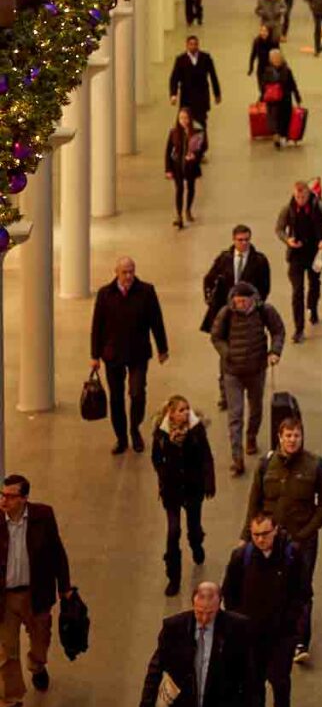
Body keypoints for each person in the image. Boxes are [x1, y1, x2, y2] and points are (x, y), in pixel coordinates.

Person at [247, 414, 322, 662]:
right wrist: (249, 535)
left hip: (303, 539)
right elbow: (254, 501)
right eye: (288, 436)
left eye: (296, 435)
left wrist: (309, 530)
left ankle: (300, 642)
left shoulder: (315, 465)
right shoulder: (266, 465)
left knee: (302, 588)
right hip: (271, 539)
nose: (292, 440)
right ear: (280, 437)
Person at [221, 511, 305, 707]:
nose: (260, 539)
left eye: (265, 534)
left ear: (275, 530)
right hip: (251, 637)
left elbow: (302, 593)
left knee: (279, 678)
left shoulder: (291, 555)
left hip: (281, 634)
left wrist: (294, 624)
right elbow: (230, 593)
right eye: (255, 534)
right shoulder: (241, 558)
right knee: (253, 685)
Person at [1, 472, 71, 707]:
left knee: (40, 638)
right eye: (2, 495)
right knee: (6, 652)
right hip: (5, 597)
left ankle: (37, 664)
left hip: (36, 593)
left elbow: (57, 552)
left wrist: (65, 588)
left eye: (10, 496)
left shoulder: (43, 516)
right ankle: (10, 704)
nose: (4, 501)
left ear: (24, 498)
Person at [91, 255, 170, 456]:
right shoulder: (105, 294)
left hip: (138, 353)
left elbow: (156, 321)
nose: (128, 276)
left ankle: (135, 429)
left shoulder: (146, 292)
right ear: (116, 272)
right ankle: (121, 438)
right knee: (116, 398)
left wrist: (162, 348)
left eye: (131, 271)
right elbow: (97, 326)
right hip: (113, 354)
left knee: (137, 393)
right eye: (124, 272)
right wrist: (95, 355)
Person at [207, 280, 286, 477]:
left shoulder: (264, 311)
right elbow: (216, 336)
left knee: (256, 407)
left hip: (256, 369)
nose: (239, 305)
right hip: (232, 372)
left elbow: (278, 330)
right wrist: (227, 353)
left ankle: (251, 436)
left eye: (243, 301)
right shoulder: (226, 313)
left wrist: (274, 351)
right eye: (237, 301)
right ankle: (237, 458)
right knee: (235, 415)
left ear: (252, 299)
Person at [151, 396, 216, 598]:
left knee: (193, 526)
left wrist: (209, 482)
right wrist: (163, 474)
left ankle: (196, 544)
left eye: (187, 409)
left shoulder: (196, 431)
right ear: (170, 413)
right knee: (173, 531)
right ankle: (173, 576)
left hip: (193, 488)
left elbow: (206, 456)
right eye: (181, 410)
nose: (186, 413)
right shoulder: (161, 434)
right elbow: (156, 458)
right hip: (171, 490)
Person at [276, 177, 322, 341]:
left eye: (303, 197)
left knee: (314, 283)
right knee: (297, 291)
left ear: (308, 194)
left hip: (315, 253)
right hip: (296, 255)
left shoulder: (319, 206)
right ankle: (299, 328)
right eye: (297, 197)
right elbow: (279, 229)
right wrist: (287, 240)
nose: (300, 200)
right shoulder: (288, 209)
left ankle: (313, 307)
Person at [199, 224, 271, 331]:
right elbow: (209, 278)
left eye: (247, 240)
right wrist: (209, 299)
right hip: (226, 306)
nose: (244, 243)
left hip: (248, 308)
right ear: (234, 240)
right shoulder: (224, 258)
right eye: (240, 240)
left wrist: (255, 304)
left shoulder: (259, 261)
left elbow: (265, 286)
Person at [167, 36, 222, 135]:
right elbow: (174, 78)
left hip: (201, 97)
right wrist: (173, 94)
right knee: (185, 122)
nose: (193, 46)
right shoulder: (181, 60)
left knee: (201, 122)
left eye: (195, 44)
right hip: (186, 97)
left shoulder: (205, 58)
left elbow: (213, 76)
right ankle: (186, 143)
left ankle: (201, 143)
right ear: (187, 45)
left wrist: (217, 94)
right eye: (191, 44)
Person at [164, 108, 206, 229]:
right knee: (179, 189)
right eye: (181, 118)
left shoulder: (196, 132)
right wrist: (168, 169)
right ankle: (179, 215)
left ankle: (188, 209)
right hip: (177, 167)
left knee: (191, 188)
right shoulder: (174, 133)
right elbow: (168, 152)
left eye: (186, 118)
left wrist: (195, 156)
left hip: (191, 166)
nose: (184, 121)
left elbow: (201, 149)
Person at [261, 44, 300, 149]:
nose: (276, 60)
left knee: (284, 119)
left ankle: (282, 136)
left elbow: (293, 84)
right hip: (273, 101)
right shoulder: (268, 71)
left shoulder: (287, 70)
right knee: (274, 119)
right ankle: (276, 136)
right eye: (274, 59)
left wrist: (297, 97)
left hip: (285, 100)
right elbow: (263, 84)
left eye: (277, 58)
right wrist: (263, 95)